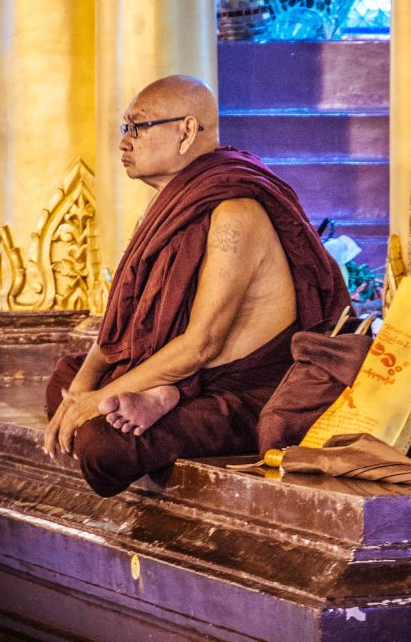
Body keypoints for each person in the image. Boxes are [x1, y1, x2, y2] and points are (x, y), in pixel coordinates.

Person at [44, 75, 350, 497]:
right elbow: (124, 325)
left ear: (186, 131)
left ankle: (167, 393)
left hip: (237, 392)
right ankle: (160, 392)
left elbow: (202, 345)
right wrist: (82, 390)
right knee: (65, 376)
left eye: (139, 126)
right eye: (125, 128)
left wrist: (96, 402)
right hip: (186, 374)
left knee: (103, 448)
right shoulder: (165, 205)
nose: (125, 141)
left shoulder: (235, 213)